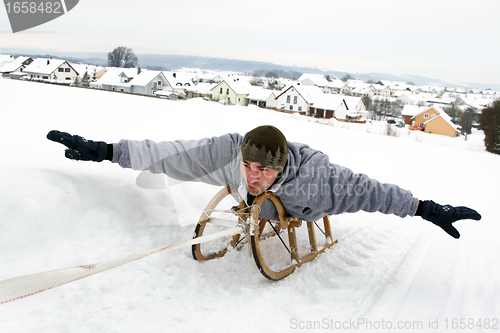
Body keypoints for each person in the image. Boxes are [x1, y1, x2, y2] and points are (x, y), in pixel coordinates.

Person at [47, 125, 481, 239]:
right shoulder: (231, 154)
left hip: (303, 204)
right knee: (255, 202)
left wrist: (425, 207)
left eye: (263, 171)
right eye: (248, 168)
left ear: (281, 166)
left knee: (268, 206)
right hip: (273, 200)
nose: (252, 177)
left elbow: (373, 191)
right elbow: (169, 153)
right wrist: (106, 150)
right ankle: (259, 212)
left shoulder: (320, 181)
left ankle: (268, 209)